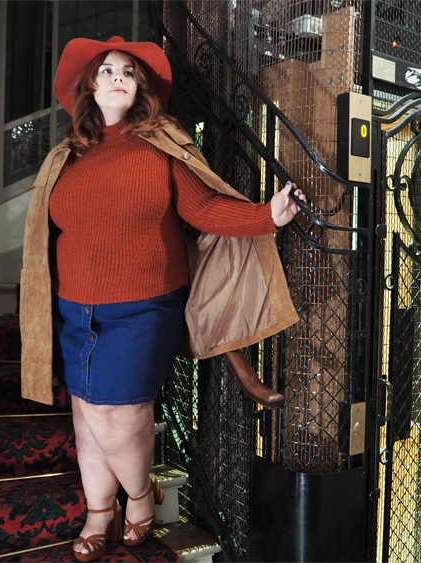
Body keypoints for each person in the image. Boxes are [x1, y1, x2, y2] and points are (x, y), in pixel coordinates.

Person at [19, 36, 305, 561]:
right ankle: (98, 512)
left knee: (121, 415)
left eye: (128, 71)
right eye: (107, 70)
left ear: (140, 86)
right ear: (89, 85)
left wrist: (268, 215)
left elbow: (205, 209)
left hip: (144, 307)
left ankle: (139, 497)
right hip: (75, 309)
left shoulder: (161, 142)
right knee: (84, 415)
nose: (118, 77)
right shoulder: (66, 155)